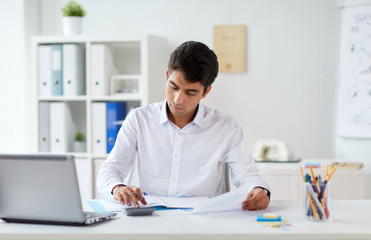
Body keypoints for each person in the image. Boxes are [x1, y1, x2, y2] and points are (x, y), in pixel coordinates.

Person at [97, 41, 270, 210]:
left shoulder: (226, 127)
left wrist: (259, 190)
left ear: (206, 91)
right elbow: (111, 168)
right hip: (151, 218)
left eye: (190, 92)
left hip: (204, 221)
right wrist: (117, 187)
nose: (178, 99)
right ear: (167, 76)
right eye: (173, 86)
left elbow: (247, 176)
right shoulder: (139, 119)